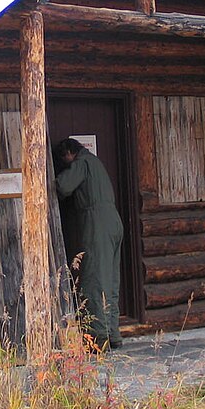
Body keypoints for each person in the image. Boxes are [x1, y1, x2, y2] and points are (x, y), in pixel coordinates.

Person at [54, 137, 124, 350]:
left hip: (97, 224)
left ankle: (97, 338)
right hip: (113, 222)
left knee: (94, 280)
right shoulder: (96, 162)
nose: (65, 162)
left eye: (63, 158)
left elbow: (63, 186)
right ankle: (113, 333)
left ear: (69, 152)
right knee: (110, 280)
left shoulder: (81, 163)